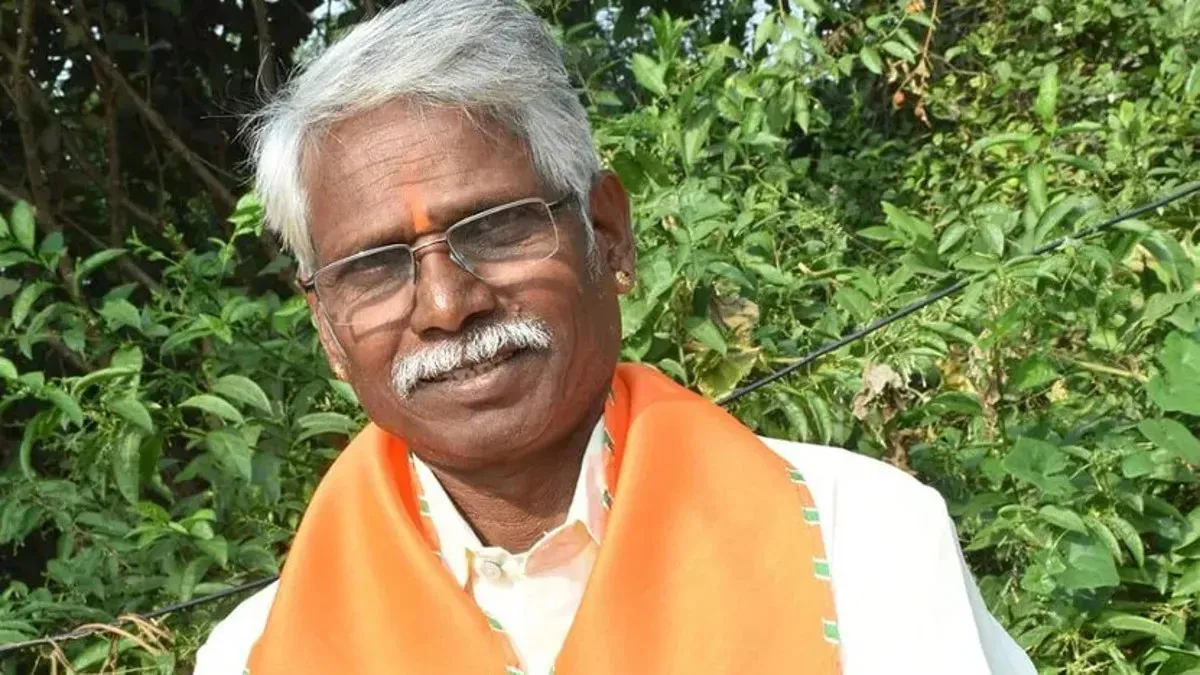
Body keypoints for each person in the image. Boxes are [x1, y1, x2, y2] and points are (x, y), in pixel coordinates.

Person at [194, 1, 1036, 673]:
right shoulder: (257, 652)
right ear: (328, 329)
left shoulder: (862, 544)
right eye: (375, 266)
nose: (446, 304)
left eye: (497, 227)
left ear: (609, 233)